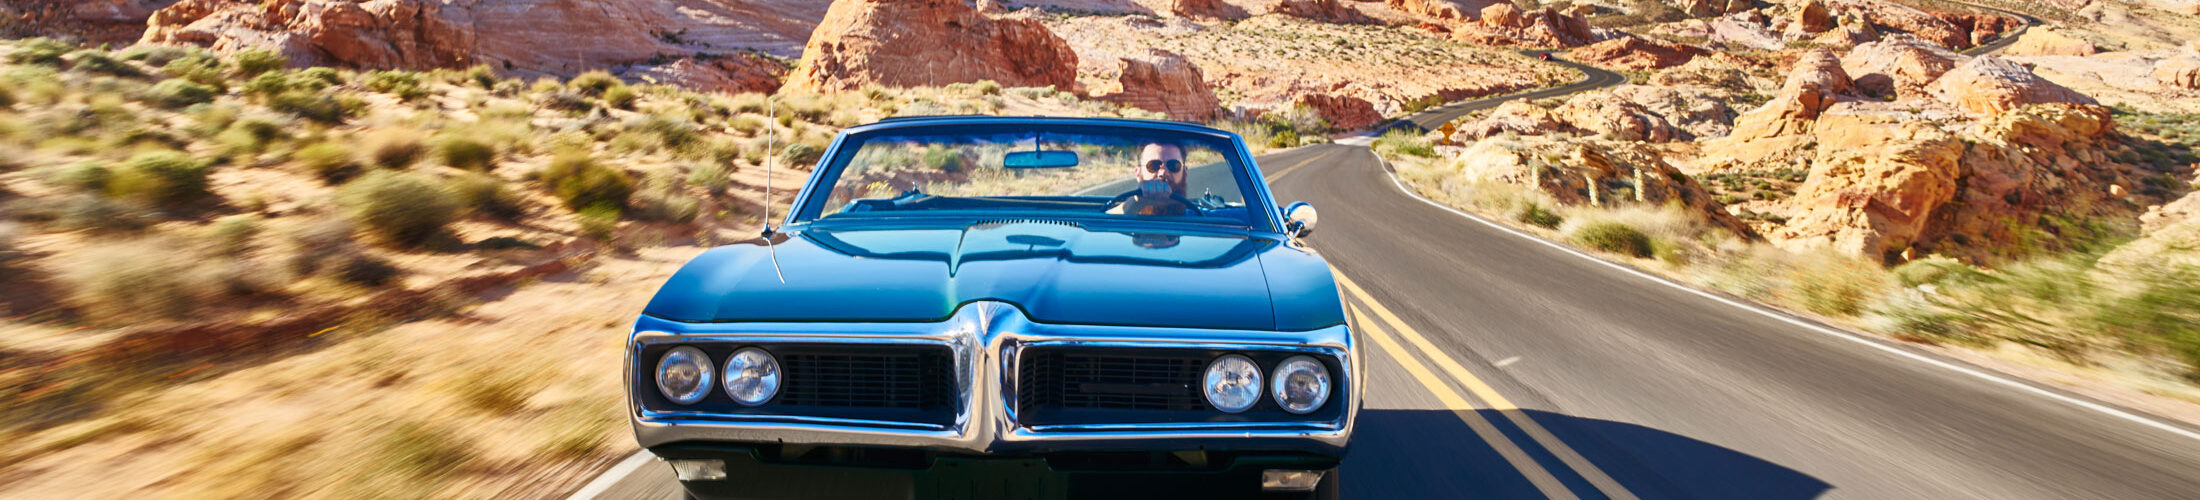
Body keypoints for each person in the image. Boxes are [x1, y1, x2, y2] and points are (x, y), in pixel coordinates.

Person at [1121, 142, 1188, 217]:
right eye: (1153, 165)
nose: (1162, 173)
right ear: (1138, 173)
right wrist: (1135, 203)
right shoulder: (1124, 222)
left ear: (1185, 173)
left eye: (1173, 165)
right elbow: (1107, 217)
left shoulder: (1200, 218)